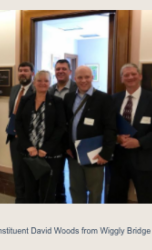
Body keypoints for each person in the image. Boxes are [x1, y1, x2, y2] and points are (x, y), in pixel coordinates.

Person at [64, 66, 116, 203]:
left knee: (95, 190)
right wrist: (67, 146)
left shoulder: (104, 98)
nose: (84, 80)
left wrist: (106, 153)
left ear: (92, 78)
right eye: (80, 77)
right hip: (73, 153)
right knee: (76, 188)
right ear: (74, 79)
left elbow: (110, 128)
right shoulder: (69, 97)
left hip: (95, 154)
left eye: (87, 77)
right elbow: (66, 125)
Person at [15, 70, 66, 203]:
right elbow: (18, 123)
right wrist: (28, 146)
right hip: (29, 154)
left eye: (46, 80)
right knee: (30, 190)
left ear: (50, 83)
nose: (42, 83)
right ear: (34, 82)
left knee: (47, 192)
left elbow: (61, 127)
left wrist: (46, 148)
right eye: (39, 80)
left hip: (49, 155)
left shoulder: (57, 102)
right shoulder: (25, 100)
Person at [108, 63, 152, 203]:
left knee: (146, 199)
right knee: (116, 199)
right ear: (122, 79)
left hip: (145, 159)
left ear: (140, 76)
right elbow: (107, 126)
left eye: (133, 74)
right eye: (126, 75)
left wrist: (139, 142)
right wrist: (116, 138)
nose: (130, 77)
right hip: (118, 160)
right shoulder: (113, 99)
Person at [48, 59, 77, 203]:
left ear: (70, 72)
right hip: (55, 141)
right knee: (57, 175)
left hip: (73, 140)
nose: (60, 71)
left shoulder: (78, 89)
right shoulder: (50, 90)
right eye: (58, 69)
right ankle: (60, 200)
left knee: (76, 177)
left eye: (64, 69)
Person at [6, 62, 35, 203]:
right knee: (17, 169)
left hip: (29, 138)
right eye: (20, 70)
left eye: (26, 70)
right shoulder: (15, 89)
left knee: (28, 170)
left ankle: (29, 199)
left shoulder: (37, 90)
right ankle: (20, 198)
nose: (23, 73)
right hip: (13, 136)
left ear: (32, 73)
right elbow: (12, 112)